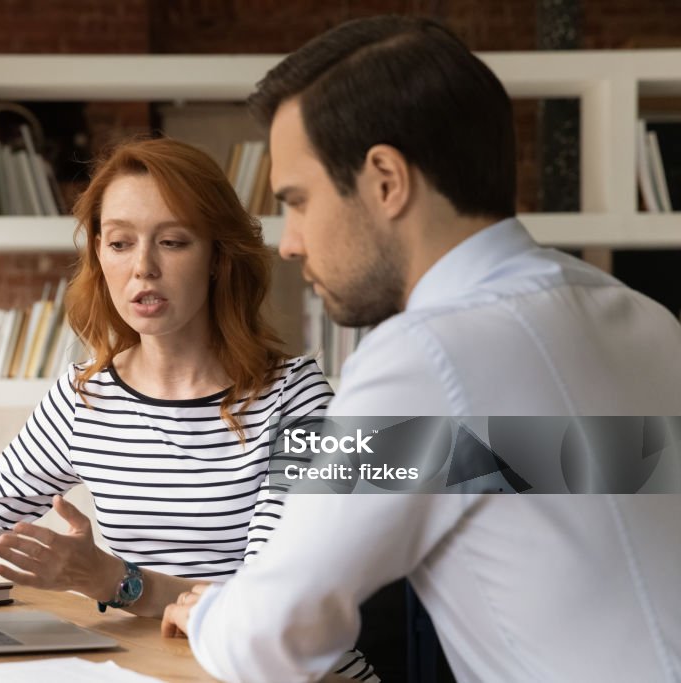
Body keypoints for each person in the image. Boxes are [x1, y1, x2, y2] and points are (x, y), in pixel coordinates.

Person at [160, 15, 681, 683]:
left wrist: (214, 614)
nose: (288, 242)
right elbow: (537, 473)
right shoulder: (644, 317)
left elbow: (271, 636)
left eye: (298, 199)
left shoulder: (423, 355)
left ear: (385, 179)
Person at [0, 138, 340, 623]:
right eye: (121, 243)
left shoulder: (298, 399)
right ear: (100, 255)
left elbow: (271, 605)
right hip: (151, 667)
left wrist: (115, 581)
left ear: (217, 257)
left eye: (172, 242)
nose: (143, 268)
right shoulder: (84, 395)